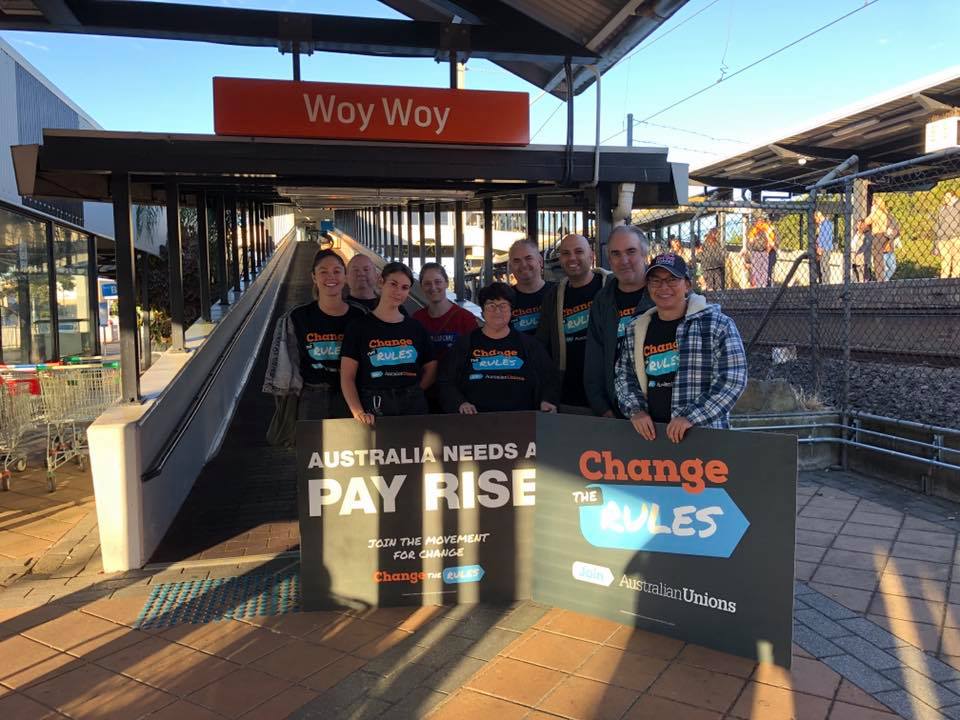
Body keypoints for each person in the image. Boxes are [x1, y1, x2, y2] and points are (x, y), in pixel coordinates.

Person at [615, 253, 747, 443]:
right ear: (648, 286)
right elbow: (624, 376)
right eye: (656, 281)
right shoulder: (636, 329)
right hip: (652, 438)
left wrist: (690, 418)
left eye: (672, 279)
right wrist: (636, 411)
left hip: (703, 436)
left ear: (687, 285)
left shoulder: (717, 325)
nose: (664, 287)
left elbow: (733, 380)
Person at [438, 282, 559, 414]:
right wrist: (459, 402)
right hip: (475, 423)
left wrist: (547, 400)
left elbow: (549, 378)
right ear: (482, 311)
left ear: (512, 311)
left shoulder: (529, 345)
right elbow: (445, 380)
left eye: (503, 306)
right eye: (491, 305)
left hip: (522, 422)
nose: (497, 311)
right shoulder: (465, 343)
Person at [340, 262, 436, 424]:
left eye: (405, 288)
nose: (398, 292)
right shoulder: (358, 327)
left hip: (413, 405)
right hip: (374, 405)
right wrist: (358, 412)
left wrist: (414, 391)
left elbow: (431, 367)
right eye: (393, 284)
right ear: (381, 282)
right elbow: (347, 377)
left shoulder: (416, 327)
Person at [584, 226, 654, 418]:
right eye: (616, 254)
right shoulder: (603, 299)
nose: (624, 261)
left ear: (645, 253)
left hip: (663, 410)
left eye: (631, 251)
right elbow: (594, 358)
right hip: (617, 411)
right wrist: (602, 408)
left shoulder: (665, 293)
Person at [536, 234, 611, 410]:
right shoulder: (553, 296)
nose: (572, 258)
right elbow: (541, 347)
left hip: (609, 395)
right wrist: (548, 395)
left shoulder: (611, 287)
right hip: (569, 396)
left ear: (591, 256)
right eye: (565, 253)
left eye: (579, 252)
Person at [412, 262, 478, 362]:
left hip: (456, 377)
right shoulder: (417, 319)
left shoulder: (465, 318)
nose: (433, 287)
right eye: (427, 283)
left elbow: (474, 355)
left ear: (446, 283)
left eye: (438, 282)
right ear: (421, 287)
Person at [507, 239, 555, 335]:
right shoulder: (505, 299)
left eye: (528, 258)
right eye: (517, 261)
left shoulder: (558, 292)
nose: (523, 265)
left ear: (540, 261)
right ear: (511, 267)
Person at [858, 195, 899, 282]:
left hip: (879, 239)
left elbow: (866, 222)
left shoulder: (876, 212)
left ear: (876, 204)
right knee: (890, 265)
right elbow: (896, 227)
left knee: (879, 263)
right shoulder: (889, 215)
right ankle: (884, 279)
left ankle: (881, 280)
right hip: (888, 242)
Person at [745, 213, 775, 288]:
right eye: (758, 220)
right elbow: (750, 240)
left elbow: (771, 242)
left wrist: (767, 251)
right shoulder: (755, 229)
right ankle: (757, 285)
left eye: (761, 220)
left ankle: (764, 285)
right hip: (756, 252)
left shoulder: (767, 228)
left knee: (765, 271)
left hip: (765, 252)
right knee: (756, 271)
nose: (759, 222)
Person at [935, 191, 960, 279]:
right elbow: (937, 225)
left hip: (956, 237)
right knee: (945, 261)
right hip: (943, 238)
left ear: (954, 197)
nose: (945, 199)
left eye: (947, 197)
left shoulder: (958, 206)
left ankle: (955, 280)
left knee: (957, 260)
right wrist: (936, 244)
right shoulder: (942, 208)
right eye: (945, 197)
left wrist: (957, 231)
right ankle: (943, 281)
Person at [815, 211, 835, 284]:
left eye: (816, 218)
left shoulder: (826, 224)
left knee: (824, 266)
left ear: (819, 216)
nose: (816, 221)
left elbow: (825, 237)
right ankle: (824, 282)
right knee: (822, 266)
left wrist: (820, 248)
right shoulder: (822, 224)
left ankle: (826, 283)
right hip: (824, 247)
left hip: (825, 248)